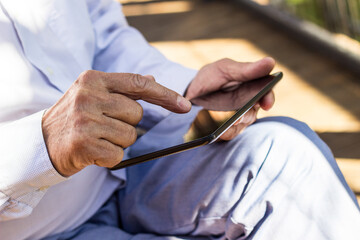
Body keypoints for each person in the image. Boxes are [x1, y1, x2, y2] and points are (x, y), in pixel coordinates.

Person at [0, 0, 359, 239]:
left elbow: (104, 36)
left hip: (124, 171)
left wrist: (184, 90)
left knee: (288, 152)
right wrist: (42, 146)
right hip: (36, 230)